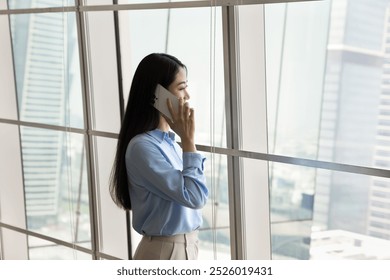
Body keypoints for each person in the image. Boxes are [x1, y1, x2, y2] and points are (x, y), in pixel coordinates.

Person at [110, 53, 208, 260]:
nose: (187, 96)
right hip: (165, 252)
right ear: (158, 94)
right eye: (181, 88)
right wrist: (189, 142)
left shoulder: (168, 142)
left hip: (187, 247)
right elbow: (195, 197)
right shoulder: (142, 147)